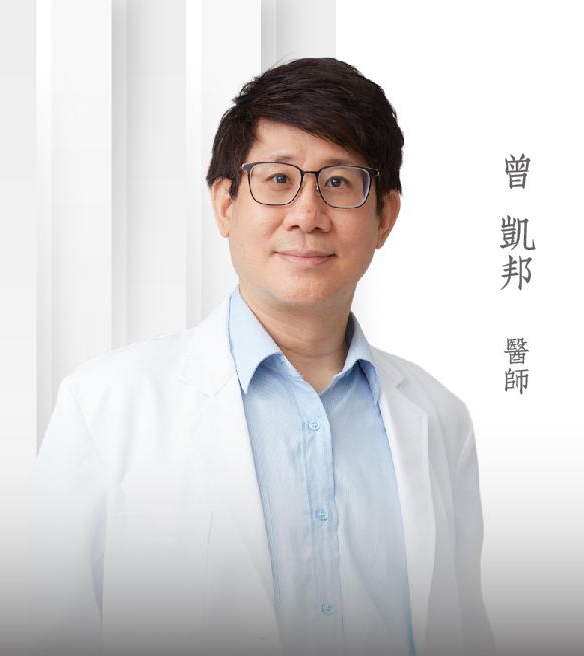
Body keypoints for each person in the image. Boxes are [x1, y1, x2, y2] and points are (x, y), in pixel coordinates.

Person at [31, 58, 495, 656]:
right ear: (225, 205)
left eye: (338, 182)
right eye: (277, 179)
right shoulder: (104, 406)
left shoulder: (442, 419)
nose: (307, 215)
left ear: (384, 217)